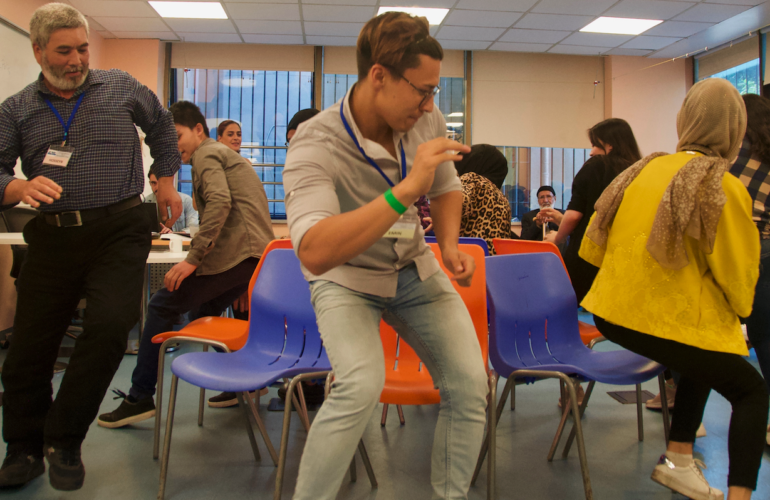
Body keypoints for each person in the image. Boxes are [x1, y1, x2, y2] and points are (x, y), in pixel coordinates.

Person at [283, 12, 488, 499]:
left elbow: (446, 187)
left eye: (434, 92)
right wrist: (404, 190)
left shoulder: (425, 117)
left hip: (412, 268)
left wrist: (452, 245)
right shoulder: (315, 142)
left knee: (470, 384)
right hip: (346, 279)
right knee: (359, 386)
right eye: (422, 90)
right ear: (378, 75)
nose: (429, 104)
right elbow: (313, 252)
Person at [0, 4, 182, 491]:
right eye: (65, 50)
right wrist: (18, 188)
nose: (78, 59)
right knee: (27, 352)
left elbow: (163, 127)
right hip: (54, 237)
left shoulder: (120, 86)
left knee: (108, 326)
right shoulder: (16, 109)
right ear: (38, 50)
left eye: (82, 47)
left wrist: (165, 181)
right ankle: (22, 448)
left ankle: (64, 438)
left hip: (121, 227)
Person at [581, 79, 768, 500]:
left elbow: (594, 246)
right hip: (658, 319)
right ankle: (740, 494)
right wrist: (738, 313)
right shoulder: (722, 186)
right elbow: (738, 277)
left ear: (684, 120)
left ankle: (679, 460)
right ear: (735, 130)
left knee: (707, 353)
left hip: (610, 313)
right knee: (752, 391)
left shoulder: (643, 168)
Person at [97, 101, 275, 428]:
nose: (173, 145)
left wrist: (193, 261)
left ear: (198, 131)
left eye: (177, 135)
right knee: (203, 312)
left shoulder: (207, 154)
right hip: (249, 256)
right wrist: (247, 274)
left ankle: (139, 397)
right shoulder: (223, 157)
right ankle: (245, 382)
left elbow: (221, 202)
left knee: (162, 303)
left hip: (242, 254)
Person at [544, 118, 642, 303]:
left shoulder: (596, 166)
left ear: (610, 145)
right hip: (624, 254)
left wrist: (557, 238)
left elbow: (575, 215)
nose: (591, 152)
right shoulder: (638, 169)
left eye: (595, 145)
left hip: (588, 254)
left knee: (568, 303)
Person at [729, 93, 770, 446]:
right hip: (767, 255)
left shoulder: (730, 156)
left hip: (736, 253)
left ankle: (686, 419)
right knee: (767, 339)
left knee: (700, 334)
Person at [457, 172, 512, 255]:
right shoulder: (498, 194)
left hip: (474, 253)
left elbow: (460, 203)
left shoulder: (470, 179)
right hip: (497, 256)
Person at [146, 167, 198, 233]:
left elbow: (193, 229)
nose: (157, 187)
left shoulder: (186, 201)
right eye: (154, 183)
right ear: (150, 184)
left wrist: (173, 234)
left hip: (179, 242)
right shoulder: (146, 202)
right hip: (155, 242)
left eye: (160, 183)